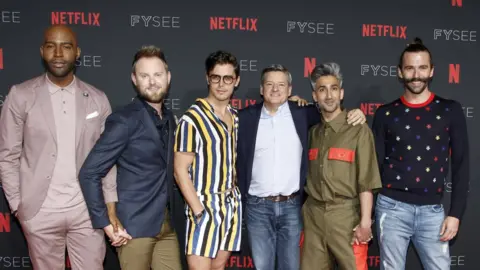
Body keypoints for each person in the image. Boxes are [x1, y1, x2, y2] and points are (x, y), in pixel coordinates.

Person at [0, 25, 117, 269]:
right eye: (51, 46)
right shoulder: (20, 95)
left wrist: (108, 206)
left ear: (77, 53)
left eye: (66, 46)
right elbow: (7, 155)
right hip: (39, 211)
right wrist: (18, 206)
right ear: (42, 51)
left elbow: (107, 160)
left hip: (86, 211)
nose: (59, 53)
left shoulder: (97, 98)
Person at [236, 64, 366, 270]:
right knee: (262, 266)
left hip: (291, 207)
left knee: (292, 266)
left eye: (281, 85)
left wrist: (356, 112)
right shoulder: (244, 118)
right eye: (269, 84)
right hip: (257, 209)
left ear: (289, 90)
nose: (275, 89)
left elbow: (333, 113)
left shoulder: (303, 114)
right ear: (261, 89)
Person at [78, 45, 182, 270]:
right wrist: (105, 223)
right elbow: (89, 172)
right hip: (133, 227)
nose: (152, 81)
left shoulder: (171, 119)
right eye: (144, 75)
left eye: (158, 74)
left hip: (166, 226)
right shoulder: (124, 120)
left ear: (168, 77)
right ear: (134, 79)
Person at [372, 37, 469, 270]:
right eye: (410, 68)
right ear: (400, 72)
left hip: (432, 213)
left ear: (432, 70)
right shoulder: (385, 114)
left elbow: (461, 165)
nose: (416, 74)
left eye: (422, 67)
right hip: (391, 209)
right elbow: (372, 168)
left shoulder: (450, 110)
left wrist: (455, 214)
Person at [301, 62, 382, 270]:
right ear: (314, 96)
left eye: (334, 89)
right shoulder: (312, 133)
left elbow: (367, 180)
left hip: (346, 216)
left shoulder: (358, 130)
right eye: (322, 89)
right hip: (313, 216)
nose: (329, 96)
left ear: (342, 93)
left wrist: (365, 222)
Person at [174, 50, 243, 270]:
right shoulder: (192, 118)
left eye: (227, 78)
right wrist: (198, 211)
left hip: (230, 206)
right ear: (207, 78)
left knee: (219, 267)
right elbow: (180, 170)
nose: (221, 84)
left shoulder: (236, 116)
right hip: (203, 205)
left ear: (236, 81)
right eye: (216, 77)